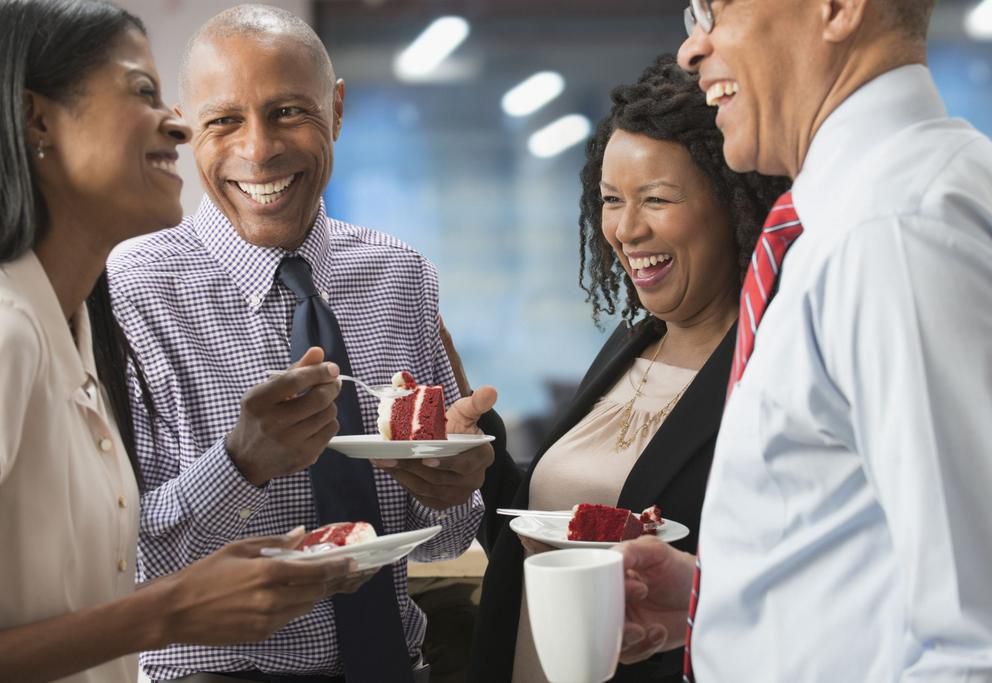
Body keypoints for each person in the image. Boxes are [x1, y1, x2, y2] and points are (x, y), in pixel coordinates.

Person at [617, 0, 992, 680]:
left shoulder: (891, 233)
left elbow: (986, 647)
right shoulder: (871, 208)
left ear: (837, 8)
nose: (692, 49)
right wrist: (721, 594)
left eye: (717, 9)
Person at [105, 5, 499, 682]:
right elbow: (122, 561)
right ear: (185, 126)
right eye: (224, 120)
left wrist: (453, 487)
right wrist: (240, 464)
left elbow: (446, 538)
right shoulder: (129, 290)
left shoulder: (401, 276)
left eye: (288, 111)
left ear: (336, 110)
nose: (258, 149)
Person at [0, 2, 375, 682]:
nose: (179, 124)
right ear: (38, 121)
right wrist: (168, 610)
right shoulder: (10, 334)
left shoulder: (75, 329)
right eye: (142, 92)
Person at [467, 56, 788, 683]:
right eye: (611, 200)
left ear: (734, 206)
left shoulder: (770, 366)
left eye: (656, 199)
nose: (625, 229)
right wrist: (478, 463)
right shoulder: (634, 342)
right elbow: (548, 525)